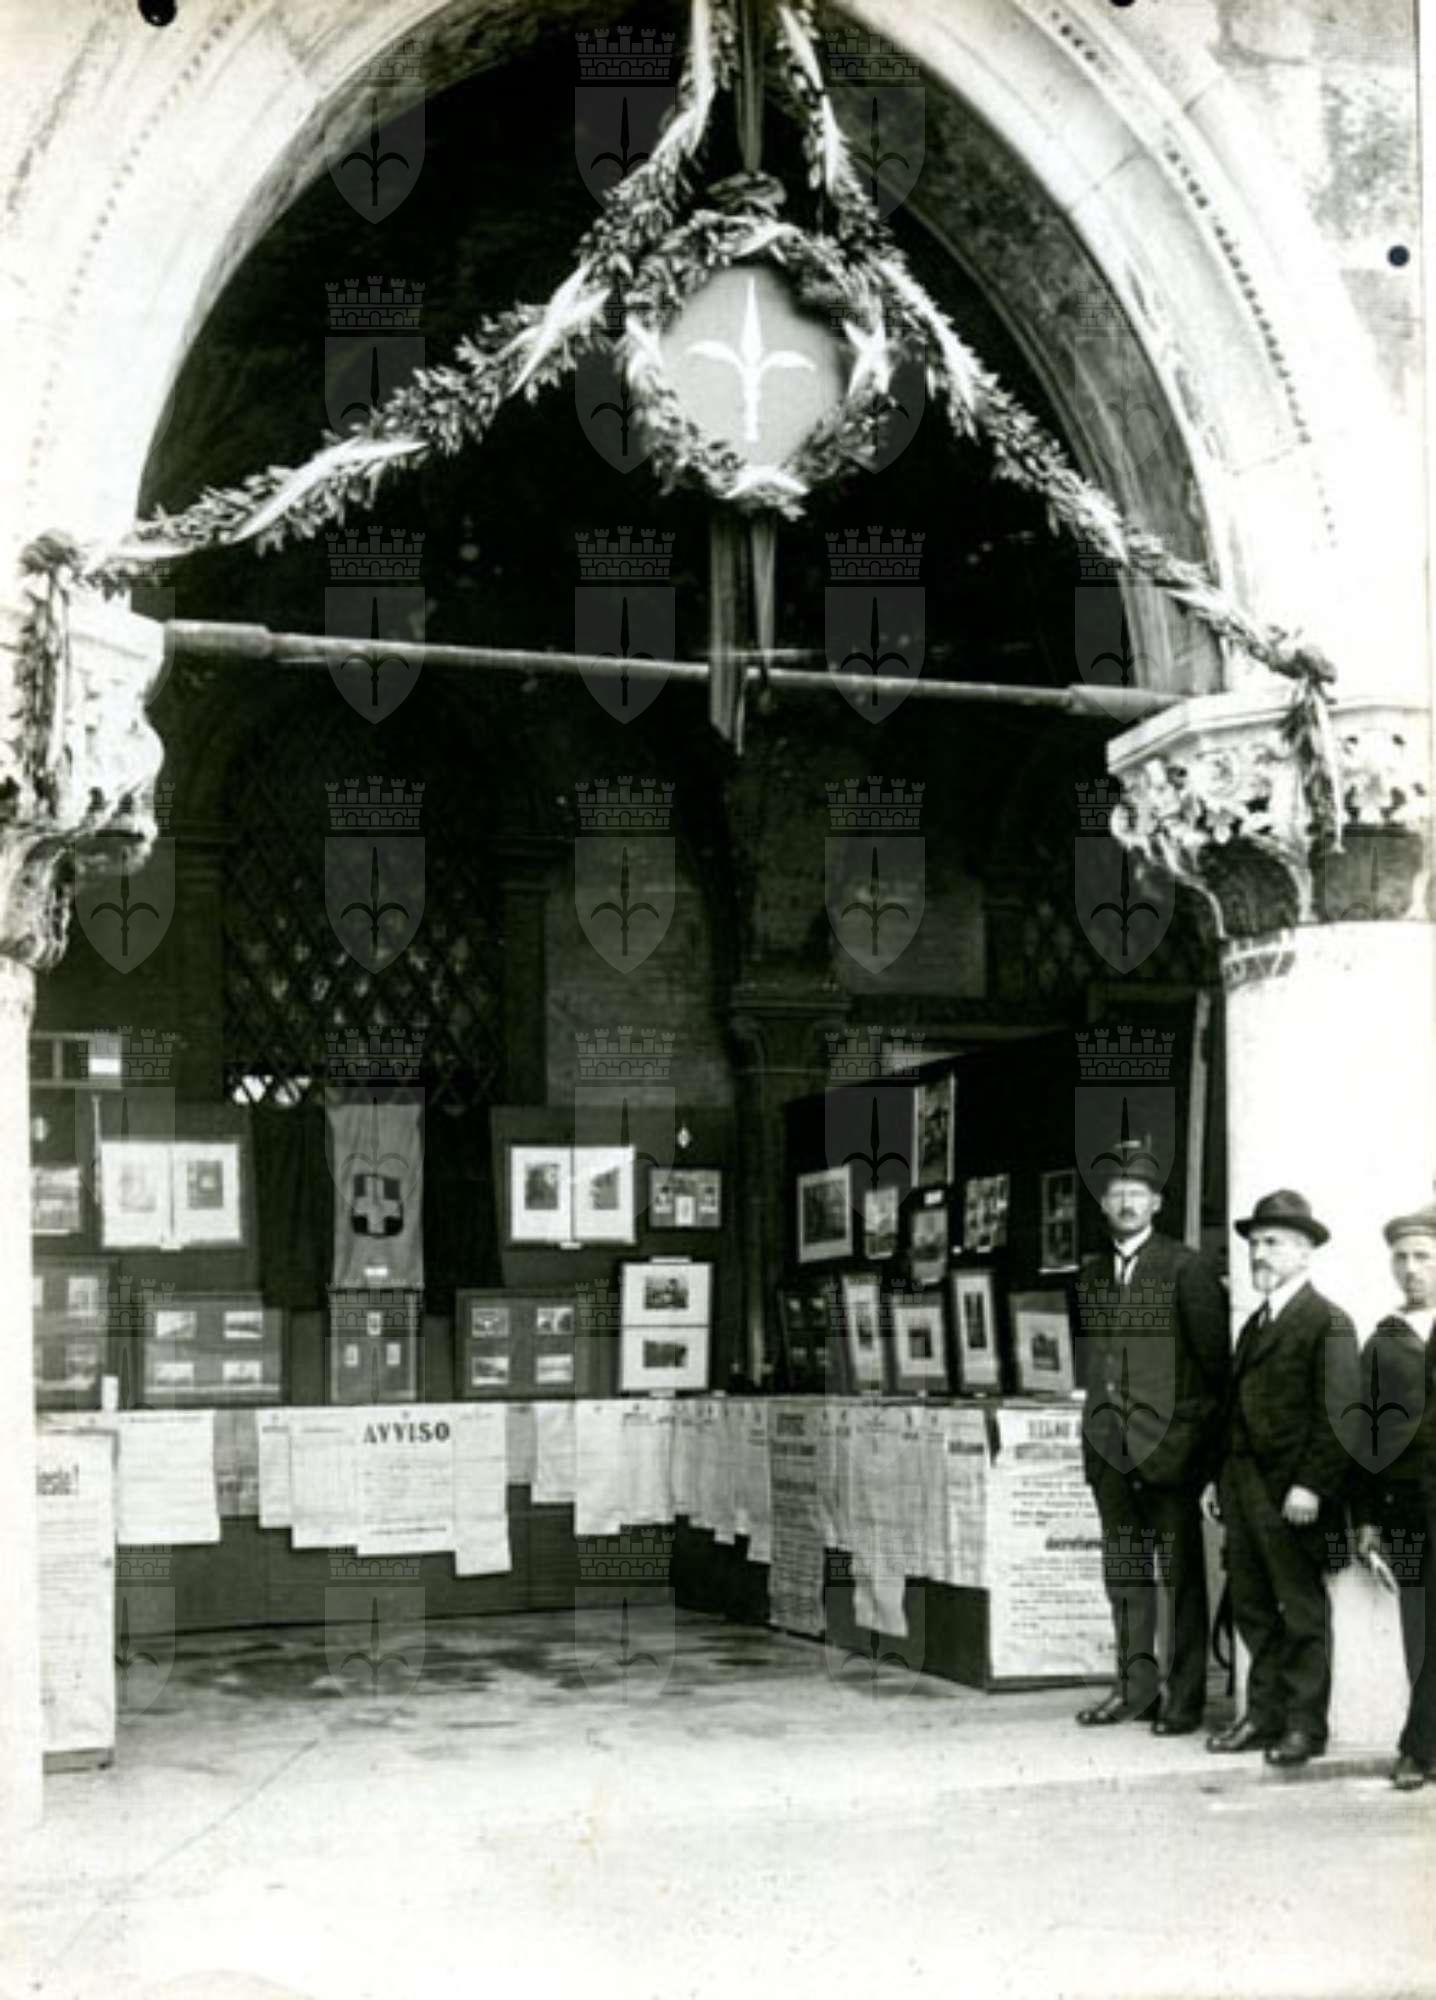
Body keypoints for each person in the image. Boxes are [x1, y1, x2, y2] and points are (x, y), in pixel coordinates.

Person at [1074, 1141, 1229, 1734]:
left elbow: (1215, 1373)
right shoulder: (1092, 1275)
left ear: (1157, 1203)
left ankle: (1184, 1699)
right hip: (1110, 1454)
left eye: (1137, 1193)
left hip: (1170, 1454)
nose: (1126, 1203)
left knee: (1180, 1581)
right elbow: (1098, 1365)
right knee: (1125, 1576)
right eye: (1116, 1193)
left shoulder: (1186, 1269)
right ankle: (1134, 1691)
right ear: (1103, 1204)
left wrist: (1199, 1456)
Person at [1204, 1190, 1359, 1768]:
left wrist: (1312, 1486)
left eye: (1272, 1243)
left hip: (1291, 1494)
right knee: (1251, 1608)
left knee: (1301, 1612)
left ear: (1304, 1251)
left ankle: (1304, 1726)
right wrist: (1217, 1481)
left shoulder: (1327, 1322)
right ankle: (1262, 1715)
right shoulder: (1255, 1325)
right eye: (1254, 1244)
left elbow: (1340, 1417)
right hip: (1244, 1490)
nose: (1258, 1254)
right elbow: (1234, 1412)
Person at [1352, 1205, 1436, 1790]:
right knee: (1418, 1627)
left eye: (1424, 1257)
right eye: (1401, 1258)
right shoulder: (1382, 1342)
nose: (1411, 1268)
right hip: (1403, 1506)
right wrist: (1364, 1520)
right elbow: (1364, 1435)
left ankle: (1417, 1747)